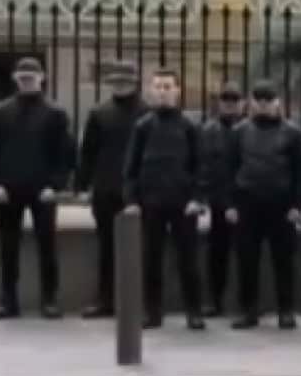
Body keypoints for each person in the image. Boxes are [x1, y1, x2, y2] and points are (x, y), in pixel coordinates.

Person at [0, 57, 71, 320]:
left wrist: (55, 185)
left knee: (47, 246)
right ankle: (7, 301)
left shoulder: (55, 113)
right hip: (8, 190)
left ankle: (50, 300)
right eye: (22, 77)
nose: (26, 81)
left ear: (41, 78)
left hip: (42, 191)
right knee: (8, 248)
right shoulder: (1, 111)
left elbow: (65, 155)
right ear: (15, 79)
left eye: (31, 77)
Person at [123, 69, 205, 330]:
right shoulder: (143, 126)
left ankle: (194, 311)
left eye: (167, 87)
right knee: (151, 260)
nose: (162, 91)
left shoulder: (190, 126)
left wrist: (197, 198)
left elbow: (200, 166)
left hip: (183, 205)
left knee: (188, 261)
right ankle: (152, 312)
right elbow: (130, 167)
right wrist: (132, 200)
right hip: (151, 203)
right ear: (150, 91)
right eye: (157, 87)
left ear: (177, 91)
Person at [225, 81, 301, 330]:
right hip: (247, 205)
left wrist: (297, 206)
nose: (263, 105)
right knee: (247, 261)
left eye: (268, 100)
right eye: (259, 100)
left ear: (277, 102)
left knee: (284, 261)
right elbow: (229, 169)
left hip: (282, 206)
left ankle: (286, 311)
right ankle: (249, 311)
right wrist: (231, 204)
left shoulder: (292, 133)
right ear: (251, 102)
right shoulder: (239, 132)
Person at [75, 60, 146, 318]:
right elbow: (88, 153)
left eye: (125, 80)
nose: (120, 84)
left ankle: (140, 301)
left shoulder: (147, 113)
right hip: (106, 189)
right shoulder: (99, 113)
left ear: (135, 82)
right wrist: (82, 186)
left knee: (142, 248)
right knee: (107, 247)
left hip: (139, 192)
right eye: (116, 80)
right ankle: (106, 299)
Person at [198, 83, 244, 317]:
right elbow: (202, 165)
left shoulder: (247, 129)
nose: (229, 104)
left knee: (247, 253)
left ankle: (244, 302)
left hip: (246, 200)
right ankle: (214, 299)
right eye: (225, 100)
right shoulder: (208, 131)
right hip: (218, 201)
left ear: (241, 103)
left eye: (234, 100)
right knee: (217, 253)